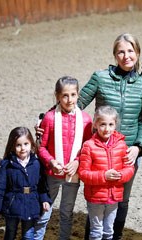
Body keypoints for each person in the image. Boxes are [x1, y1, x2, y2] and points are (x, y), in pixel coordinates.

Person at [78, 33, 142, 240]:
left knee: (121, 200)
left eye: (130, 51)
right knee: (97, 199)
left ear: (137, 53)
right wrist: (47, 118)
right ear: (115, 54)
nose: (126, 56)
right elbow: (76, 105)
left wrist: (138, 146)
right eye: (121, 51)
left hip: (127, 153)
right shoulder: (100, 78)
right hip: (98, 152)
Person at [34, 76, 93, 240]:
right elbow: (42, 147)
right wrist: (51, 161)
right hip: (52, 174)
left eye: (73, 95)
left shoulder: (86, 120)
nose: (69, 99)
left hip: (72, 176)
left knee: (67, 213)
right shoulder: (50, 118)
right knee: (44, 210)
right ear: (57, 96)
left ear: (78, 95)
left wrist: (77, 161)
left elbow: (87, 148)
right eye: (65, 95)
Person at [79, 105, 134, 240]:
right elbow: (83, 173)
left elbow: (129, 168)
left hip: (114, 197)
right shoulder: (88, 146)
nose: (107, 128)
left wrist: (121, 175)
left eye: (110, 124)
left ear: (115, 125)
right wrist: (104, 176)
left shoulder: (121, 145)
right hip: (96, 197)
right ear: (96, 124)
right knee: (96, 232)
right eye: (103, 124)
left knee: (109, 231)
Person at [0, 127, 51, 240]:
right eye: (18, 145)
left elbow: (42, 185)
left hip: (31, 204)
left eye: (26, 144)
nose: (23, 148)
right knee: (10, 232)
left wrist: (45, 200)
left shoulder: (36, 164)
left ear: (31, 144)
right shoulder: (6, 165)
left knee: (28, 234)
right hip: (12, 205)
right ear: (12, 146)